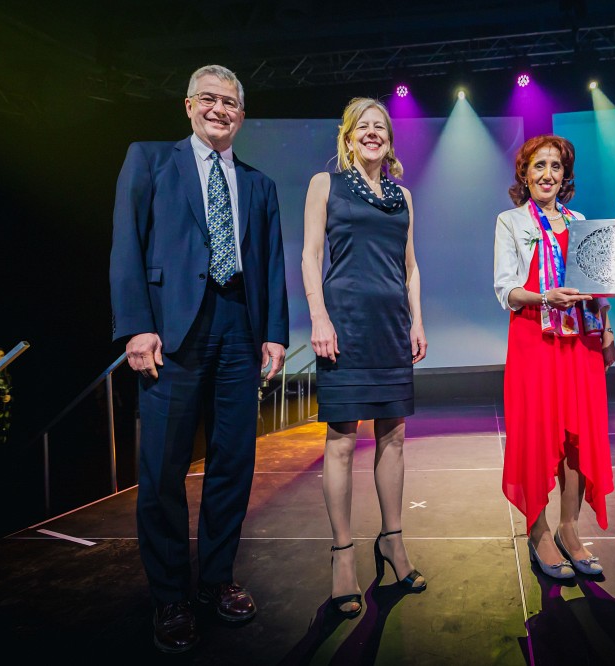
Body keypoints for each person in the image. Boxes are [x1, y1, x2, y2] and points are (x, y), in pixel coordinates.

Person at [109, 64, 289, 653]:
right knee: (161, 471)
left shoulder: (259, 185)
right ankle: (169, 597)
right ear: (188, 106)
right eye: (209, 99)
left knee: (234, 464)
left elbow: (272, 266)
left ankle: (215, 581)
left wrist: (275, 334)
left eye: (230, 102)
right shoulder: (149, 160)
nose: (220, 109)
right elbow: (126, 246)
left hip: (239, 328)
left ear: (241, 112)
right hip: (171, 332)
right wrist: (136, 326)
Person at [301, 97, 428, 618]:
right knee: (340, 439)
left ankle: (392, 542)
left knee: (393, 436)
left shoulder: (403, 196)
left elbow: (411, 266)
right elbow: (310, 255)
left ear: (389, 140)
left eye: (381, 127)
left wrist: (417, 319)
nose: (373, 134)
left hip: (392, 327)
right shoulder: (323, 184)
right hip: (345, 325)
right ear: (349, 137)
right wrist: (319, 317)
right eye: (364, 127)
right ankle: (343, 555)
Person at [493, 134, 615, 580]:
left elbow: (597, 284)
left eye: (556, 167)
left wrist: (608, 329)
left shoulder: (580, 221)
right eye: (538, 166)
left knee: (576, 438)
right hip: (534, 340)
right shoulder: (511, 221)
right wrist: (545, 297)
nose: (548, 174)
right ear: (524, 174)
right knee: (538, 434)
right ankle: (538, 531)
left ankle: (569, 528)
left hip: (580, 342)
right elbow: (505, 289)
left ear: (565, 175)